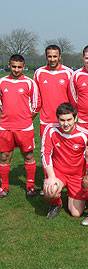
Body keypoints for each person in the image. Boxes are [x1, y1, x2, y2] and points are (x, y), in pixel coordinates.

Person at [42, 103, 88, 219]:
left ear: (75, 118)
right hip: (58, 173)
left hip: (77, 176)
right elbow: (45, 154)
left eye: (69, 119)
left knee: (76, 214)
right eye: (62, 120)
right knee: (50, 190)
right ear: (57, 119)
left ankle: (82, 195)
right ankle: (56, 203)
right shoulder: (50, 130)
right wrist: (51, 177)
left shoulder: (85, 134)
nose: (65, 124)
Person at [0, 54, 40, 197]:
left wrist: (27, 119)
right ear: (9, 65)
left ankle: (30, 186)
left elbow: (36, 105)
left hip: (24, 128)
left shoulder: (30, 83)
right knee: (4, 156)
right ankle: (4, 187)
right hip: (5, 127)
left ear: (23, 67)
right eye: (13, 66)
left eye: (19, 67)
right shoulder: (2, 82)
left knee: (28, 155)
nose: (16, 69)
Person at [34, 45, 73, 137]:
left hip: (65, 120)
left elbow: (73, 98)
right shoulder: (39, 73)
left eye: (55, 56)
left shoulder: (69, 73)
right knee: (46, 150)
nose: (52, 59)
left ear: (59, 57)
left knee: (65, 150)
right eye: (49, 56)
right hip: (46, 121)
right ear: (46, 57)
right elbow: (36, 99)